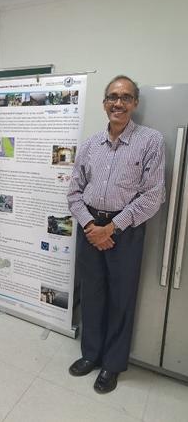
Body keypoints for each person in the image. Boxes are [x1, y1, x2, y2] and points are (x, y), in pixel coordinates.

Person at [67, 76, 165, 394]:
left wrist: (112, 227)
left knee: (121, 299)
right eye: (112, 97)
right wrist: (90, 226)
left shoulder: (150, 141)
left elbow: (153, 196)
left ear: (135, 103)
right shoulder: (90, 145)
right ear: (104, 102)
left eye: (125, 97)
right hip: (89, 227)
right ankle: (91, 354)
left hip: (126, 230)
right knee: (92, 294)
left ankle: (112, 364)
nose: (118, 103)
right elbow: (74, 193)